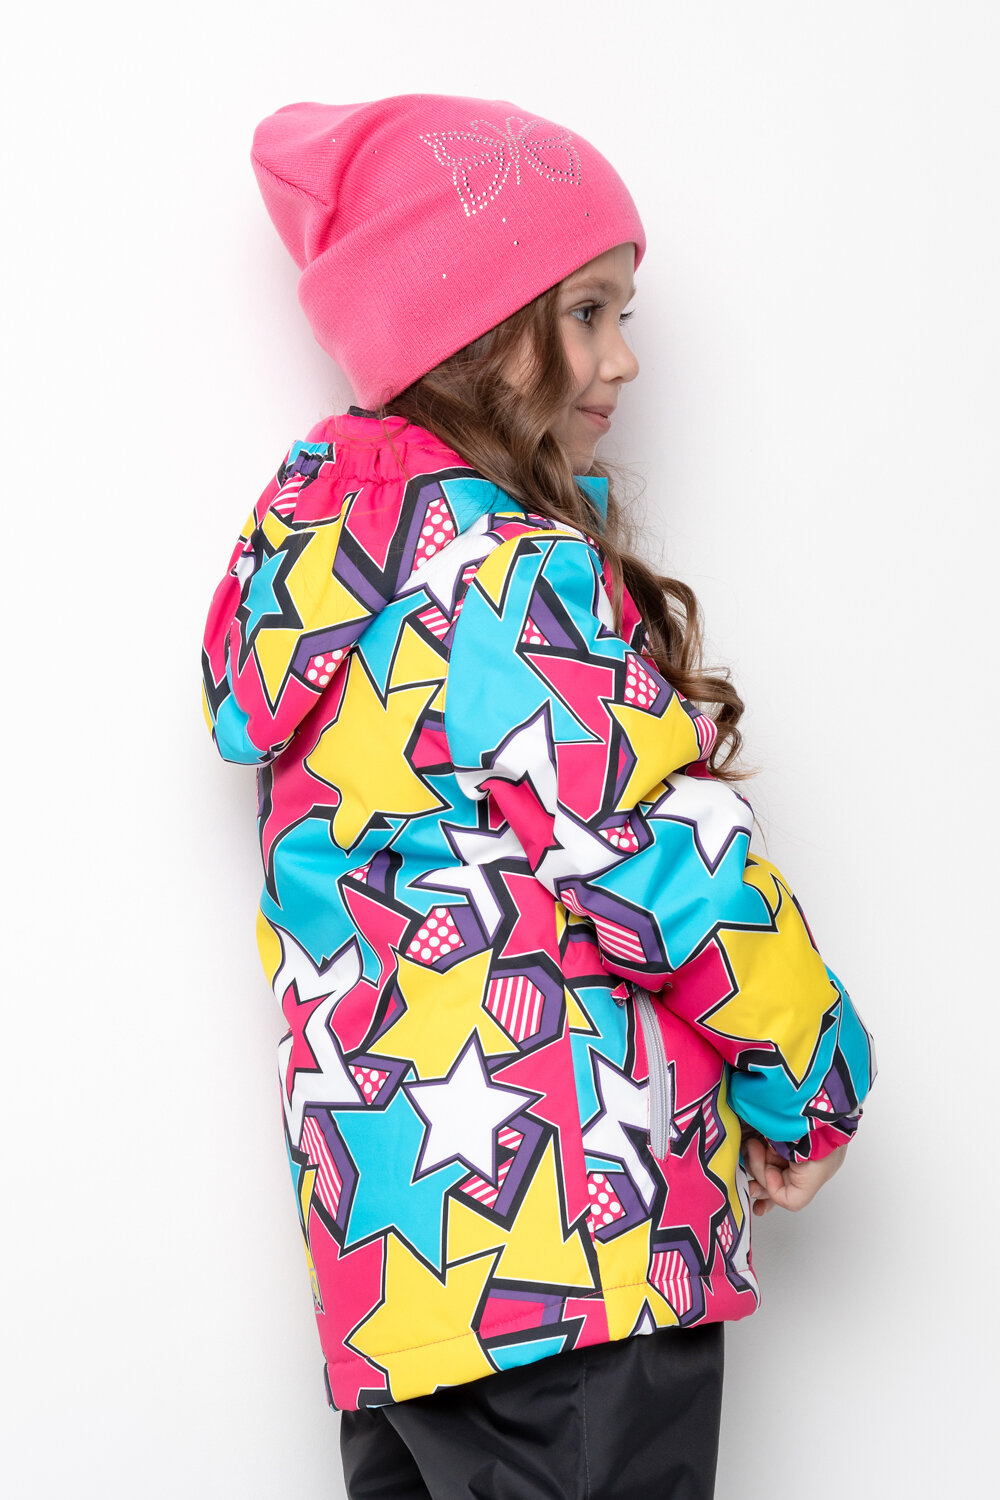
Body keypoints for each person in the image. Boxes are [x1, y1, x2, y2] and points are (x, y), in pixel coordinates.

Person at [201, 94, 876, 1500]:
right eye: (586, 312)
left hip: (403, 1277)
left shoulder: (326, 589)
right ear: (468, 329)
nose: (623, 356)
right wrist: (815, 1082)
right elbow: (663, 861)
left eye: (623, 312)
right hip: (573, 1248)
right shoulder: (509, 580)